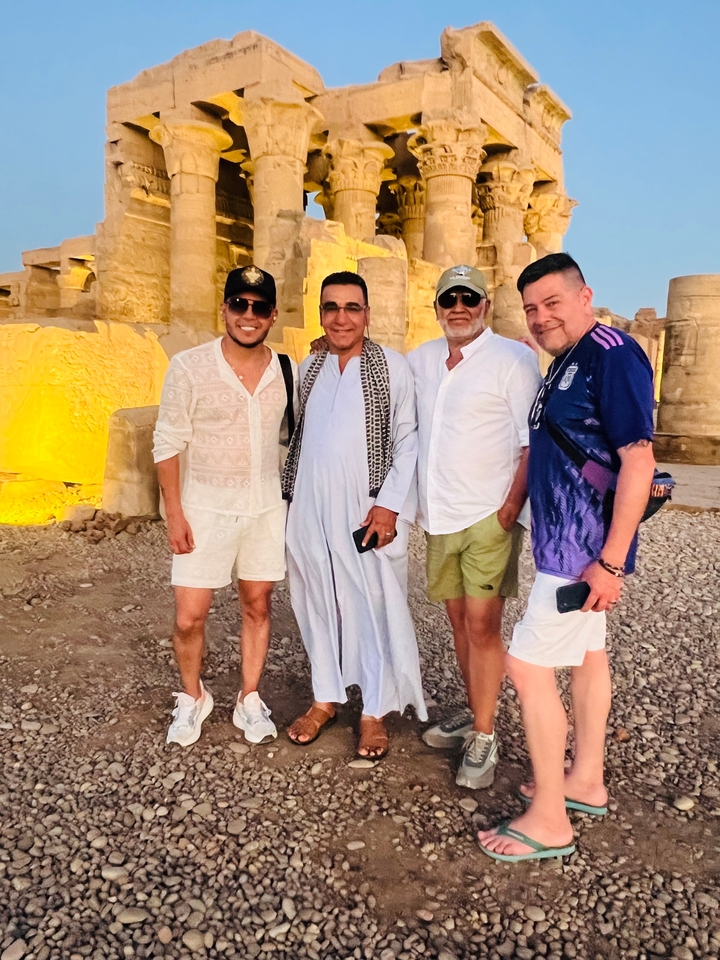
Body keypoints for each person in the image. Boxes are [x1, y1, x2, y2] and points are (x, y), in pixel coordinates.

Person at [478, 253, 656, 862]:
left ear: (585, 296)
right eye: (531, 308)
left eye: (553, 302)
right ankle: (585, 779)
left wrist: (609, 563)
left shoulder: (611, 352)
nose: (541, 316)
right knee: (587, 657)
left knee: (526, 668)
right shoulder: (561, 365)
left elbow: (639, 459)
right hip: (563, 544)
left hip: (580, 553)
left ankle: (550, 817)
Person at [407, 265, 542, 789]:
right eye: (449, 299)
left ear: (484, 306)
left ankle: (485, 734)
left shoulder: (512, 359)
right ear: (437, 307)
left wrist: (510, 509)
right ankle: (474, 709)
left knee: (484, 627)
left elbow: (531, 441)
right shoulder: (421, 360)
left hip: (489, 517)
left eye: (469, 298)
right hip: (440, 517)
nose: (458, 307)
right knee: (459, 624)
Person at [283, 270, 426, 759]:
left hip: (367, 512)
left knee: (374, 605)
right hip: (309, 508)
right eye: (331, 308)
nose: (341, 318)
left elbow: (408, 440)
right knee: (317, 599)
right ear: (320, 314)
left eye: (352, 308)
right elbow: (300, 437)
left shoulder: (392, 366)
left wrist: (388, 506)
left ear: (367, 314)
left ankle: (374, 711)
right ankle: (325, 697)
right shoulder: (310, 365)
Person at [153, 265, 297, 747]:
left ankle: (248, 697)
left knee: (257, 605)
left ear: (272, 314)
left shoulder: (287, 370)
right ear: (225, 308)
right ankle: (192, 697)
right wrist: (174, 513)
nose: (248, 315)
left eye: (258, 307)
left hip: (264, 507)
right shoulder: (189, 366)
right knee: (189, 617)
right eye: (239, 304)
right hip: (203, 509)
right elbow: (167, 442)